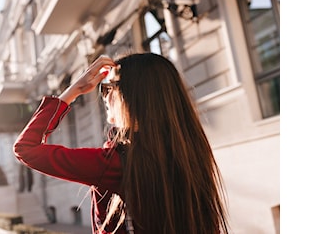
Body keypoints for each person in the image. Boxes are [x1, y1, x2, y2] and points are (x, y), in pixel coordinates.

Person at [13, 52, 229, 234]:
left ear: (137, 97)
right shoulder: (190, 149)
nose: (104, 97)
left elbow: (26, 149)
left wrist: (74, 90)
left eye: (111, 87)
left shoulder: (116, 162)